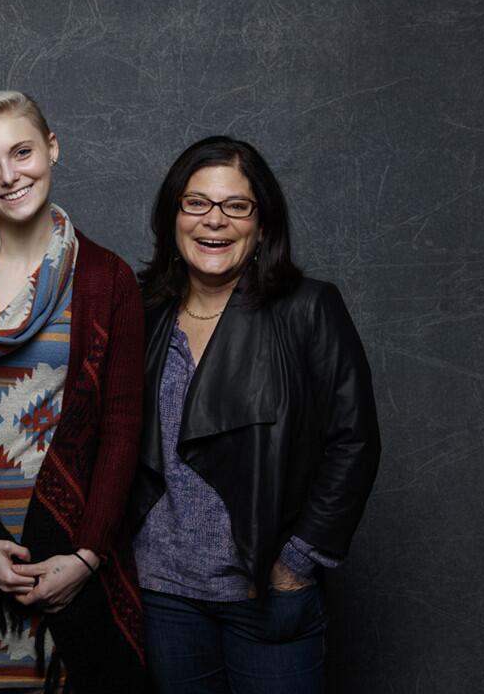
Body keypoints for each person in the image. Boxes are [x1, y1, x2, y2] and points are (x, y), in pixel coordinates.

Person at [0, 91, 148, 694]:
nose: (9, 176)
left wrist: (88, 554)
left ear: (53, 150)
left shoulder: (106, 278)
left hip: (70, 557)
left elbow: (122, 428)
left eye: (22, 152)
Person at [127, 136, 381, 693]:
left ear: (261, 224)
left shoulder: (308, 309)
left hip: (266, 594)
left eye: (236, 206)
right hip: (165, 598)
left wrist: (296, 562)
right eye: (196, 203)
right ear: (173, 217)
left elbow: (354, 441)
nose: (214, 221)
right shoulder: (143, 313)